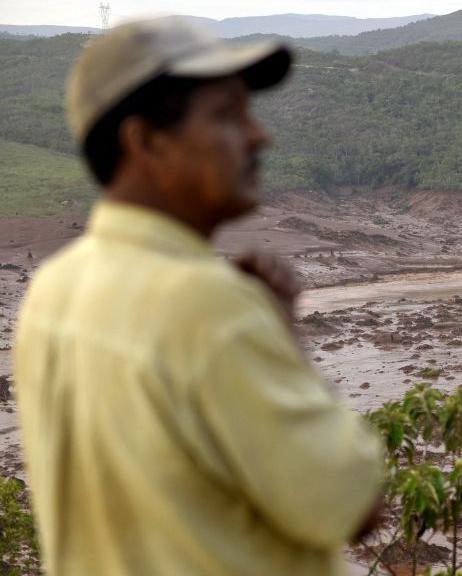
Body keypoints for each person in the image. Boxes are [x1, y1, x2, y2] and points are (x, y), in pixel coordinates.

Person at [13, 16, 383, 576]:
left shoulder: (52, 289)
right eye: (227, 115)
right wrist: (286, 340)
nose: (260, 136)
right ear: (145, 142)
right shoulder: (208, 304)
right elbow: (352, 506)